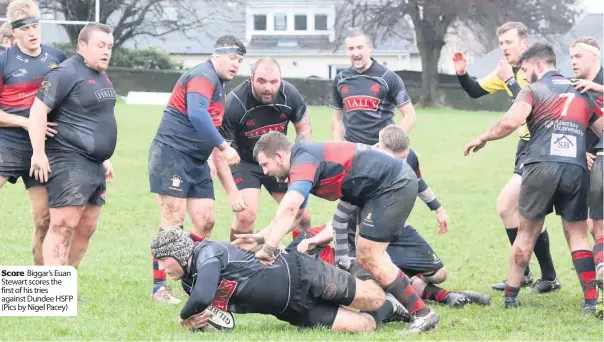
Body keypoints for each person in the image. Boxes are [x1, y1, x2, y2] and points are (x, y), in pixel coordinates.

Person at [235, 131, 440, 334]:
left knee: (370, 255)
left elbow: (290, 207)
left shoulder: (304, 161)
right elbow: (297, 214)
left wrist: (269, 248)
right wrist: (263, 236)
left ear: (279, 156)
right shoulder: (301, 162)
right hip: (374, 191)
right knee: (366, 256)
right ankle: (396, 304)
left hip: (392, 184)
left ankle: (422, 313)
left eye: (265, 164)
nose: (265, 171)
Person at [464, 42, 603, 315]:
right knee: (577, 235)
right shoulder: (582, 90)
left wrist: (483, 137)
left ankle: (511, 296)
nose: (525, 76)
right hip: (575, 169)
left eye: (526, 70)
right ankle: (590, 301)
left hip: (540, 167)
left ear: (539, 65)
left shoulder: (532, 91)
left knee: (526, 233)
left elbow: (511, 121)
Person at [292, 125, 491, 308]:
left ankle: (429, 291)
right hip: (366, 236)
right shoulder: (364, 166)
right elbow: (341, 216)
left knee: (439, 274)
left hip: (396, 229)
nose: (399, 164)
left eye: (403, 159)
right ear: (379, 147)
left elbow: (419, 182)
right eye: (396, 158)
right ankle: (448, 296)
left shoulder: (407, 160)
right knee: (381, 282)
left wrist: (438, 209)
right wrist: (323, 241)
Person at [453, 21, 559, 293]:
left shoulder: (537, 71)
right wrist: (463, 74)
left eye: (509, 42)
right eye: (501, 43)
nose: (505, 48)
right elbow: (476, 91)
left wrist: (510, 81)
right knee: (525, 215)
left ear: (524, 44)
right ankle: (546, 276)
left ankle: (529, 274)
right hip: (524, 147)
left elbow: (535, 107)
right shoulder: (506, 72)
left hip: (542, 146)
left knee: (507, 206)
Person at [150, 226, 410, 333]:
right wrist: (198, 323)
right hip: (291, 310)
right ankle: (389, 306)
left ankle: (366, 265)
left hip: (301, 274)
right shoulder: (188, 282)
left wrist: (183, 315)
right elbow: (219, 320)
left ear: (179, 254)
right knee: (364, 325)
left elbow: (202, 297)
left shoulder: (208, 253)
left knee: (371, 296)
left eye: (163, 260)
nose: (161, 267)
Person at [147, 35, 245, 303]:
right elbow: (197, 115)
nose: (236, 64)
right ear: (217, 55)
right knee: (173, 221)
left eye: (240, 60)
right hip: (172, 155)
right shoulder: (203, 75)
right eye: (233, 58)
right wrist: (224, 148)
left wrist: (220, 166)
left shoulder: (221, 85)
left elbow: (210, 129)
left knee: (205, 220)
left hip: (197, 160)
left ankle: (194, 279)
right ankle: (159, 288)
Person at [28, 23, 117, 271]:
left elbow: (97, 119)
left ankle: (67, 284)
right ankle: (54, 288)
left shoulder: (102, 75)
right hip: (68, 158)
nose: (106, 51)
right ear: (82, 46)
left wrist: (104, 158)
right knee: (64, 223)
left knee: (87, 225)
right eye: (101, 45)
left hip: (94, 164)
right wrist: (38, 154)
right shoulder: (65, 73)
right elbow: (38, 112)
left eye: (110, 46)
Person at [0, 0, 67, 265]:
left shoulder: (56, 58)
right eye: (25, 28)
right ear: (13, 31)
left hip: (41, 148)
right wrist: (28, 122)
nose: (32, 32)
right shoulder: (4, 61)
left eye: (36, 26)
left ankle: (40, 279)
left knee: (44, 219)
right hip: (6, 143)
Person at [219, 57, 312, 241]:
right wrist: (232, 192)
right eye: (261, 81)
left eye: (273, 81)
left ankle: (300, 265)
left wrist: (296, 166)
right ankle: (238, 266)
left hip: (278, 160)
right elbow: (221, 151)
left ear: (281, 79)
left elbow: (304, 130)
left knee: (302, 217)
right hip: (245, 162)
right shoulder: (236, 102)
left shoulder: (290, 95)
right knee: (245, 216)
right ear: (251, 78)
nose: (268, 87)